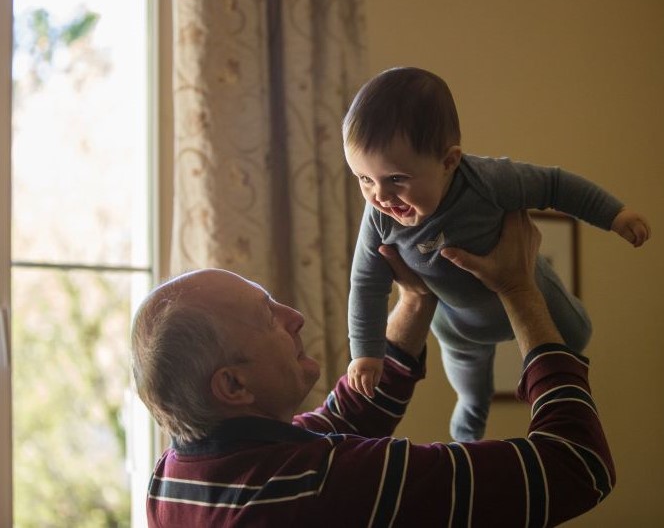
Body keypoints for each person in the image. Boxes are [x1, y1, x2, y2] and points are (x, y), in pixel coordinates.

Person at [131, 210, 615, 527]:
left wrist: (416, 298)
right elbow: (576, 465)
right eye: (268, 317)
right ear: (233, 384)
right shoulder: (326, 487)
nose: (294, 317)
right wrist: (519, 290)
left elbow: (343, 418)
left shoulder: (174, 477)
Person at [344, 66, 650, 441]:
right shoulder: (379, 218)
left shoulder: (488, 181)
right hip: (458, 326)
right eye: (364, 179)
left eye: (396, 179)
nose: (380, 196)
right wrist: (366, 352)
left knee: (577, 336)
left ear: (448, 162)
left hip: (529, 287)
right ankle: (467, 438)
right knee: (472, 392)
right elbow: (366, 284)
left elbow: (555, 185)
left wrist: (615, 215)